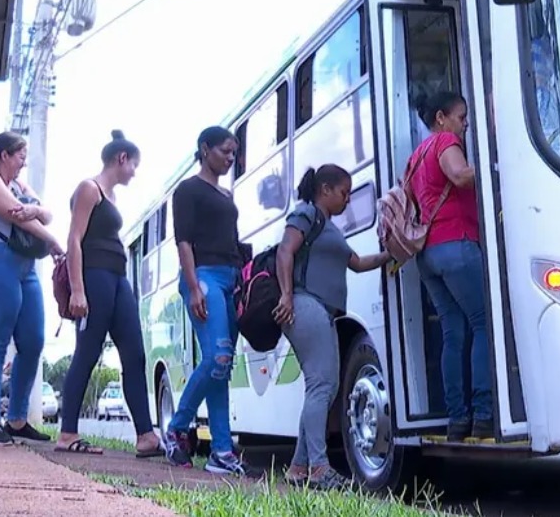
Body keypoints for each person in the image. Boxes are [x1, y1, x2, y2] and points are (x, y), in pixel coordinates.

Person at [273, 165, 392, 489]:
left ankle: (299, 467)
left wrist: (393, 254)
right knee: (322, 386)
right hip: (304, 304)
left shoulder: (330, 228)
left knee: (325, 388)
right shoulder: (307, 213)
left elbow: (357, 263)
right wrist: (286, 296)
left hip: (322, 311)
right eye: (343, 192)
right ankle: (320, 468)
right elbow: (285, 251)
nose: (347, 199)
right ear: (325, 189)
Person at [56, 131, 161, 457]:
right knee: (87, 353)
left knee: (135, 355)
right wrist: (77, 290)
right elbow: (74, 240)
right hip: (94, 278)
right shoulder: (90, 189)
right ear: (121, 159)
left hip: (118, 279)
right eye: (134, 165)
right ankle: (68, 433)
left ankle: (145, 436)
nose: (134, 172)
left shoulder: (112, 198)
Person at [0, 131, 65, 446]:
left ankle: (18, 419)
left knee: (33, 341)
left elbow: (44, 213)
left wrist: (36, 211)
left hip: (24, 264)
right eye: (21, 156)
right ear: (5, 155)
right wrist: (50, 239)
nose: (23, 163)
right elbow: (13, 214)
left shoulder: (19, 185)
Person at [407, 90, 492, 442]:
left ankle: (458, 418)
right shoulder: (444, 141)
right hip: (456, 242)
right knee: (484, 324)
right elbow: (459, 177)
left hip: (428, 254)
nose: (466, 126)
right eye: (462, 118)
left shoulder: (415, 157)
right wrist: (493, 163)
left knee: (452, 333)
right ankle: (485, 414)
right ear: (441, 118)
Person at [162, 126, 247, 474]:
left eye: (234, 153)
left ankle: (222, 452)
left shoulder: (227, 196)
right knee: (217, 356)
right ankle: (177, 428)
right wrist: (195, 286)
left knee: (221, 368)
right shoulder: (187, 190)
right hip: (204, 276)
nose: (231, 158)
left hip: (230, 278)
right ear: (204, 149)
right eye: (225, 151)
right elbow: (183, 241)